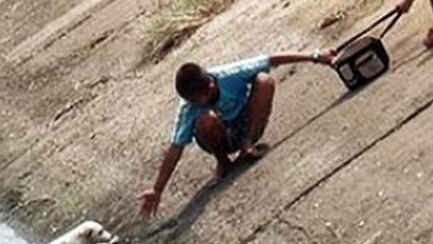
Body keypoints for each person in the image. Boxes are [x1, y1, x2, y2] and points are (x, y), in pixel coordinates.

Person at [138, 51, 334, 218]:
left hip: (247, 122)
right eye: (192, 101)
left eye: (199, 100)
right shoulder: (188, 108)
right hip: (218, 136)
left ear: (211, 86)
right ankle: (223, 162)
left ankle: (248, 144)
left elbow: (271, 59)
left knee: (264, 80)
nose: (195, 104)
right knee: (204, 120)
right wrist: (157, 189)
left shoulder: (229, 74)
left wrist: (315, 56)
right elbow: (175, 148)